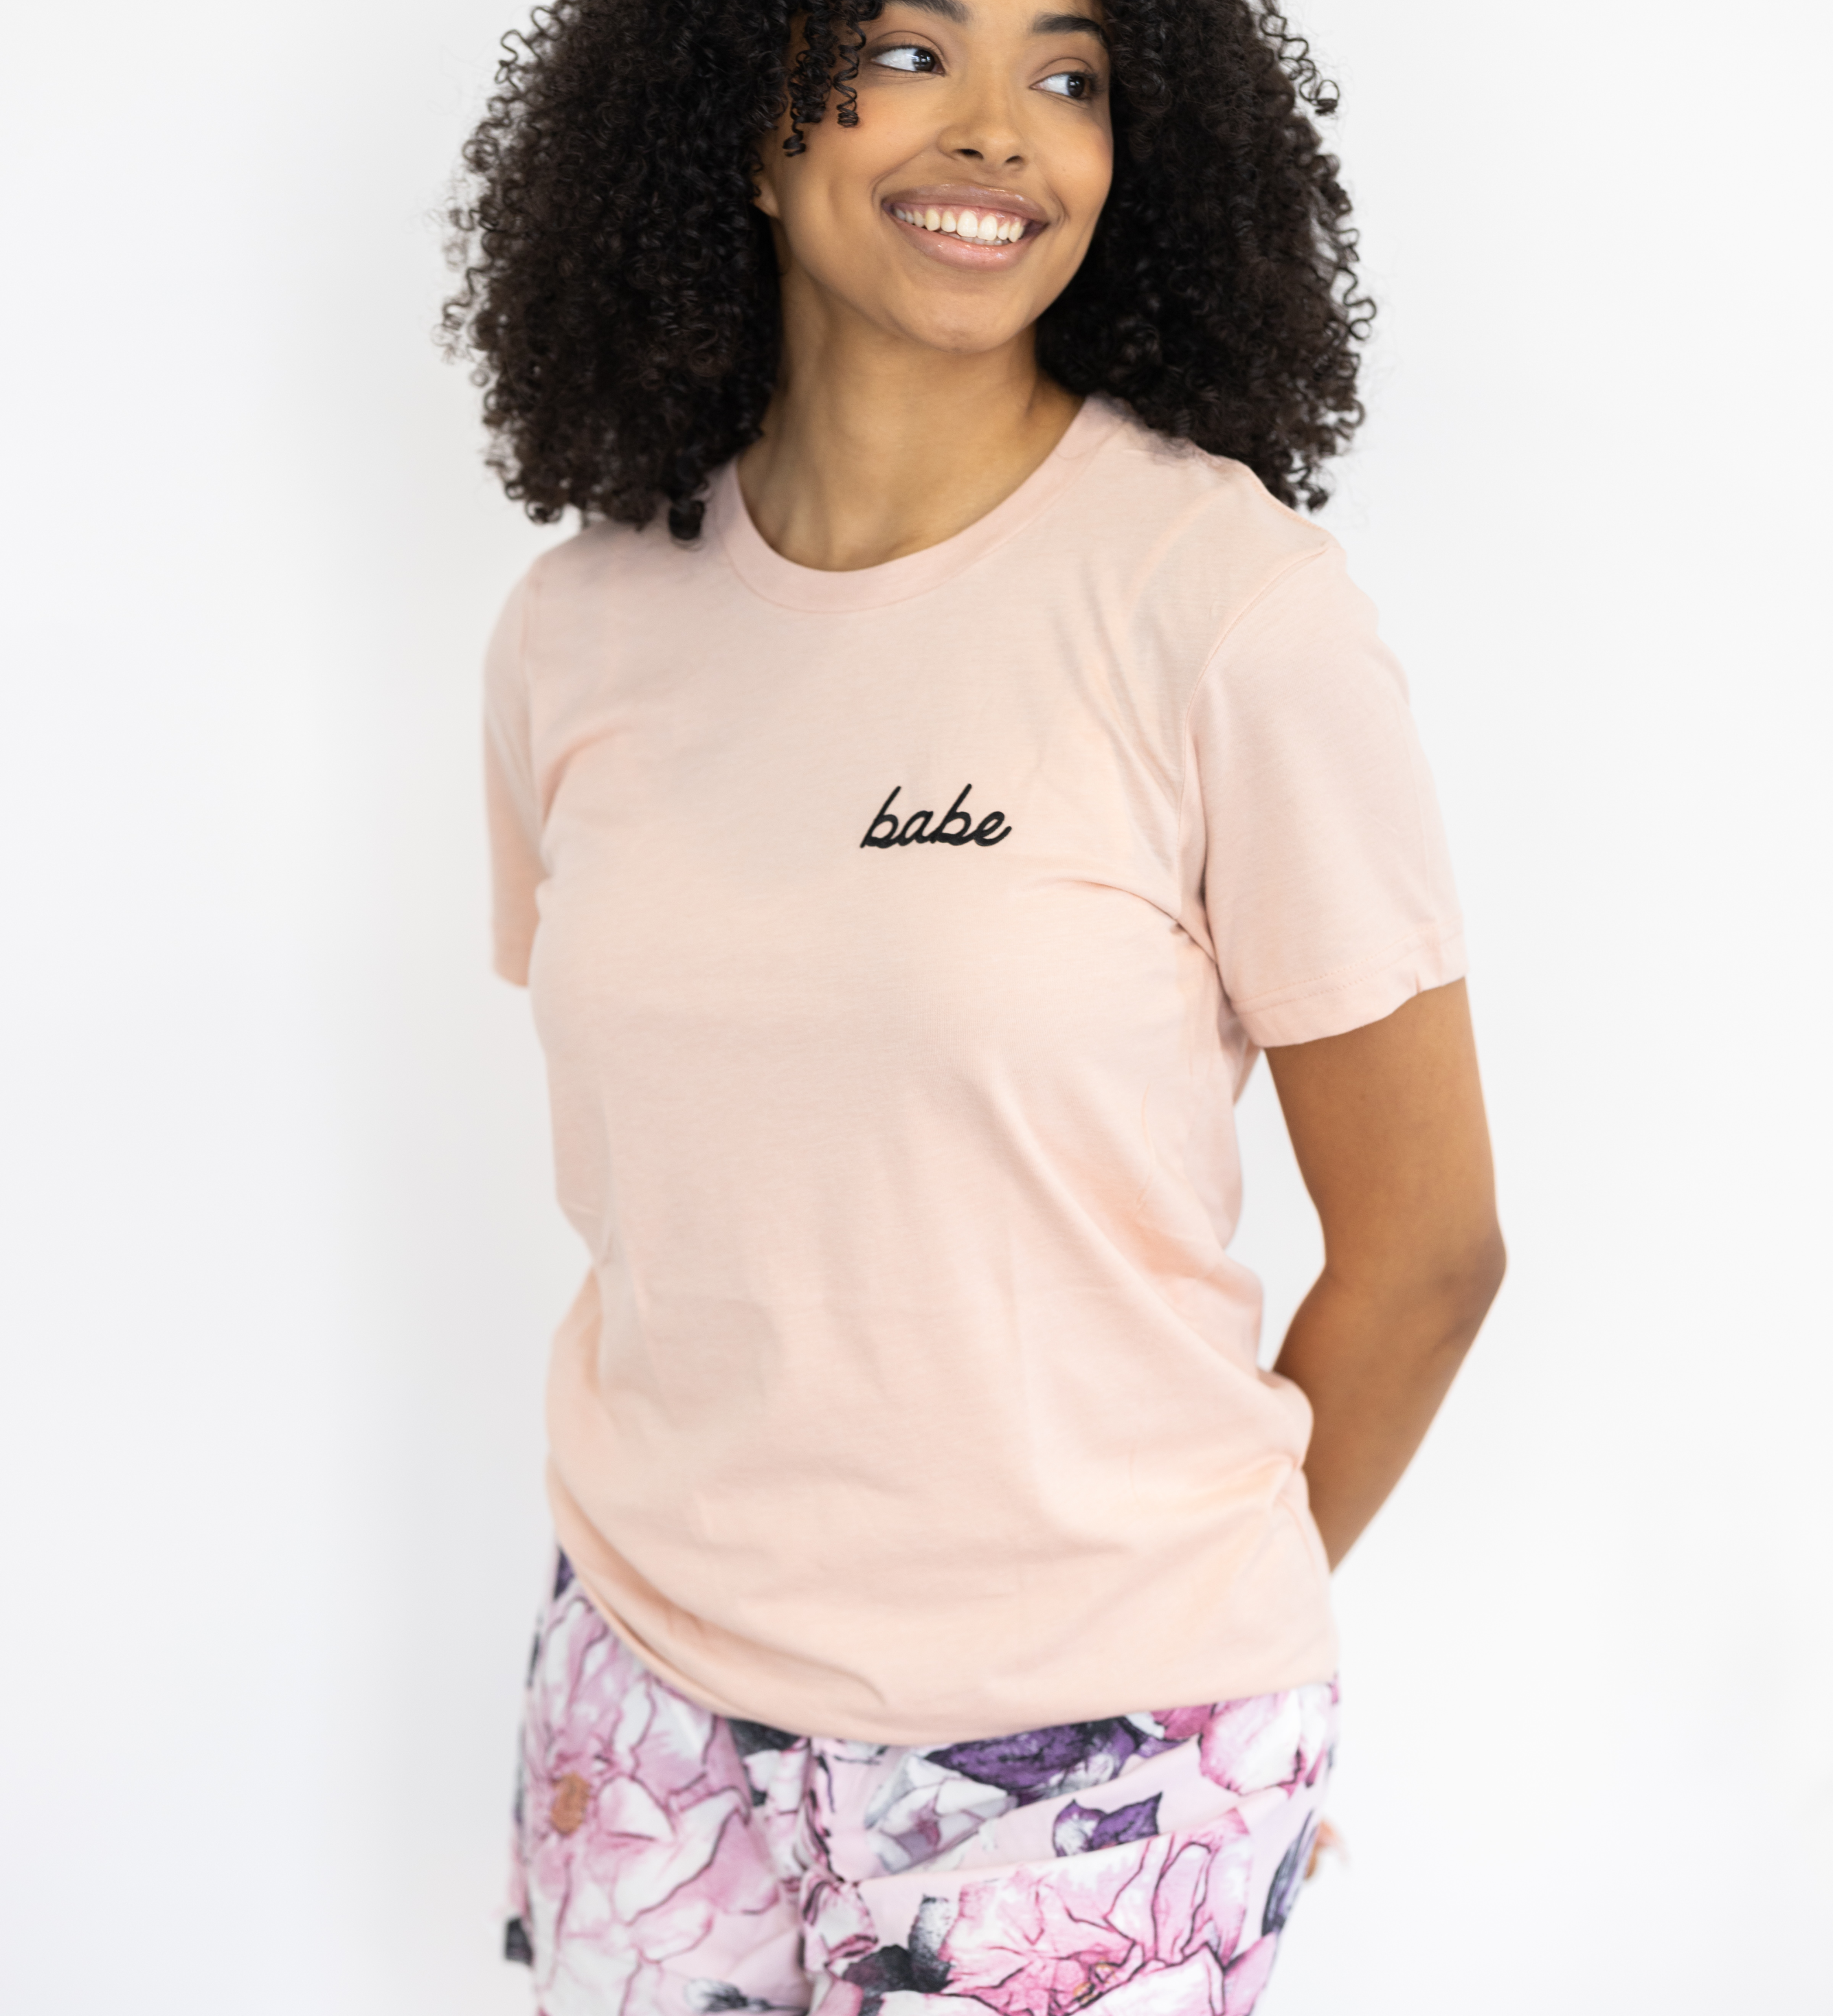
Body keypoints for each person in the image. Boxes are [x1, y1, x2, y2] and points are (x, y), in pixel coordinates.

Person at [445, 0, 1505, 2008]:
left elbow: (1431, 1249)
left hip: (1095, 1751)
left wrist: (1173, 1659)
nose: (1004, 129)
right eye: (911, 52)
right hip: (645, 1696)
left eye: (1069, 74)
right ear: (738, 121)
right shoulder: (574, 631)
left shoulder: (1225, 606)